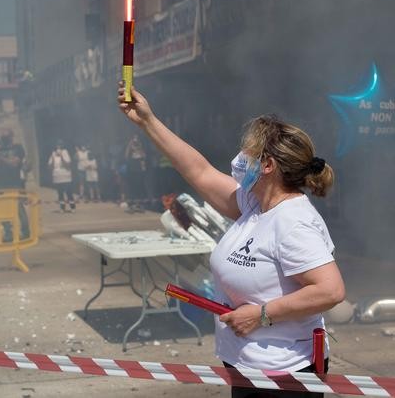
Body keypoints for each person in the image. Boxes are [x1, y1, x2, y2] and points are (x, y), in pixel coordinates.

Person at [117, 83, 345, 398]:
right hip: (248, 367)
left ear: (268, 166)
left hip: (285, 375)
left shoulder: (293, 221)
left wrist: (261, 314)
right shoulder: (254, 203)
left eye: (248, 153)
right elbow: (198, 171)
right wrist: (147, 121)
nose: (240, 158)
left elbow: (330, 290)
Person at [48, 141, 75, 212]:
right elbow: (50, 166)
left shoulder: (65, 152)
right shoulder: (53, 154)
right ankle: (62, 208)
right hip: (57, 176)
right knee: (60, 193)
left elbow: (68, 165)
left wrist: (61, 156)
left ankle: (72, 207)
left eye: (60, 145)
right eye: (57, 145)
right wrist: (53, 158)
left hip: (66, 176)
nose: (58, 147)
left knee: (69, 192)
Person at [124, 134, 147, 211]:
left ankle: (139, 204)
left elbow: (144, 156)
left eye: (137, 139)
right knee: (132, 187)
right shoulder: (130, 151)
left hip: (139, 171)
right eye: (134, 139)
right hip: (131, 170)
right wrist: (130, 145)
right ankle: (132, 204)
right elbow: (126, 156)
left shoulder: (140, 150)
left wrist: (139, 148)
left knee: (139, 187)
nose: (135, 141)